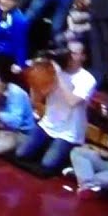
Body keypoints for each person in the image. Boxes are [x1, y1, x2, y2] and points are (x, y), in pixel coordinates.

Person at [15, 39, 96, 175]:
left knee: (47, 164)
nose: (70, 56)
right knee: (21, 153)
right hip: (49, 124)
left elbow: (71, 101)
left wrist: (58, 75)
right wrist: (36, 74)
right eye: (68, 52)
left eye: (74, 53)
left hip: (68, 133)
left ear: (83, 57)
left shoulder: (87, 79)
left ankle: (63, 154)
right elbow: (36, 100)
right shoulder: (52, 70)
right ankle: (46, 145)